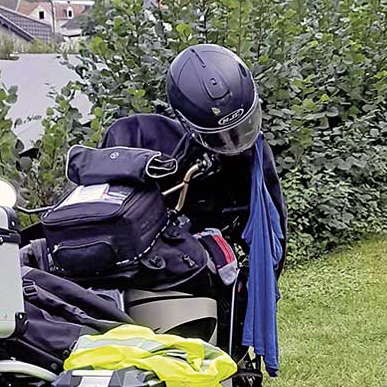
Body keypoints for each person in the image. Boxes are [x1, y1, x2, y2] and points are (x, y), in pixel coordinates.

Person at [101, 43, 286, 265]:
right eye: (221, 136)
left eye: (241, 128)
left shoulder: (254, 155)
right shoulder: (136, 138)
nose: (234, 142)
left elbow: (272, 218)